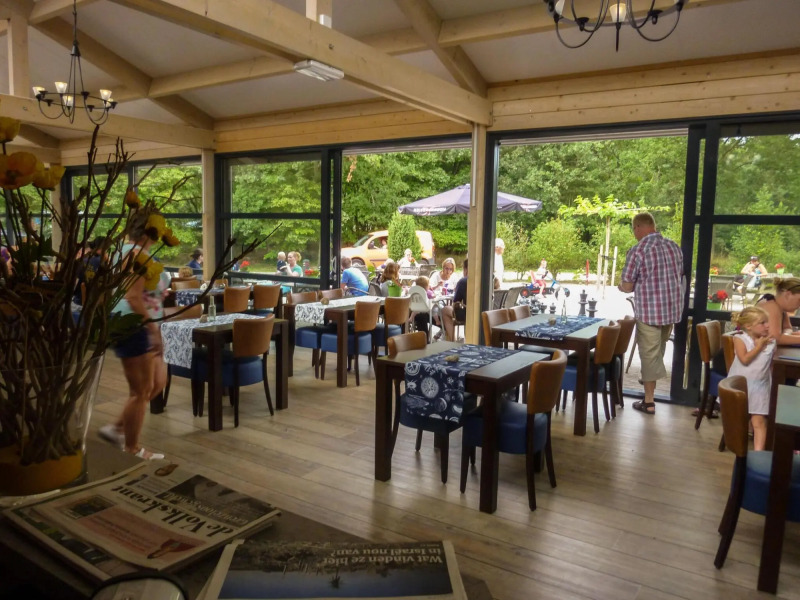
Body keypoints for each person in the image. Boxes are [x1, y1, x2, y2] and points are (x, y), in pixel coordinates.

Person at [99, 210, 170, 459]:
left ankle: (116, 428)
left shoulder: (121, 251)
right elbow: (132, 297)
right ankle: (132, 448)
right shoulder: (135, 254)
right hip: (134, 323)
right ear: (151, 230)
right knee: (140, 391)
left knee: (157, 382)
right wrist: (153, 330)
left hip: (136, 321)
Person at [618, 212, 684, 415]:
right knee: (658, 351)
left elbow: (628, 286)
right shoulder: (674, 247)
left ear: (638, 227)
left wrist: (621, 286)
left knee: (648, 355)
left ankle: (649, 401)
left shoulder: (637, 251)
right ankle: (650, 383)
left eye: (634, 229)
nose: (634, 233)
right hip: (671, 310)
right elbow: (679, 275)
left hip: (649, 312)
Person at [727, 306, 775, 451]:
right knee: (738, 420)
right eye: (762, 323)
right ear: (748, 326)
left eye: (767, 322)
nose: (767, 325)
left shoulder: (770, 341)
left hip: (760, 387)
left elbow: (769, 364)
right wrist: (758, 347)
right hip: (742, 386)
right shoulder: (740, 339)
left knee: (759, 421)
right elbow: (745, 359)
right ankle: (739, 451)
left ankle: (758, 454)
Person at [755, 277, 800, 346]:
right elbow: (774, 338)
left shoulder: (780, 307)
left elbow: (787, 328)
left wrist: (787, 335)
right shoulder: (770, 306)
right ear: (788, 294)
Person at [441, 259, 468, 342]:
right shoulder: (488, 279)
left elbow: (456, 302)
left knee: (445, 310)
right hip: (487, 313)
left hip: (467, 314)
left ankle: (453, 341)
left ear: (466, 269)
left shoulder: (463, 281)